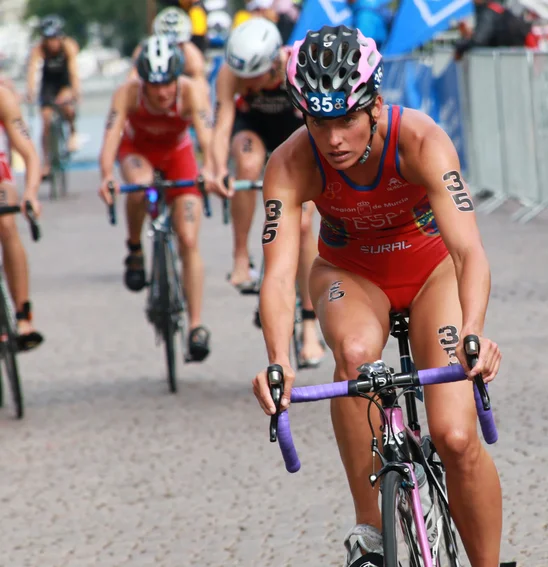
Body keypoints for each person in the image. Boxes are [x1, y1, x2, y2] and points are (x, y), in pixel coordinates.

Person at [252, 25, 502, 567]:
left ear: (375, 105)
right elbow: (275, 275)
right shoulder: (290, 164)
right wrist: (278, 360)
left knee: (456, 436)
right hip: (350, 273)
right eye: (320, 123)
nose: (335, 139)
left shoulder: (420, 140)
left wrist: (476, 331)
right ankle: (370, 528)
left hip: (431, 271)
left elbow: (468, 251)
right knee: (356, 358)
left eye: (346, 119)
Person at [98, 35, 225, 362]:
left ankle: (196, 325)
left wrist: (213, 170)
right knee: (141, 186)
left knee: (188, 238)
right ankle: (135, 248)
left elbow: (208, 138)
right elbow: (111, 137)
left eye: (168, 82)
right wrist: (106, 177)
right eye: (154, 85)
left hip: (177, 155)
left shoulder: (191, 92)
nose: (163, 92)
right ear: (142, 81)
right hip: (137, 152)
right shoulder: (127, 93)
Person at [209, 17, 325, 367]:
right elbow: (222, 125)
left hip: (296, 136)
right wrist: (214, 170)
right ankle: (241, 257)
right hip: (254, 131)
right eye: (240, 76)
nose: (245, 83)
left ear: (273, 62)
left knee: (304, 226)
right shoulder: (230, 75)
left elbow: (318, 127)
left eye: (252, 76)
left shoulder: (298, 68)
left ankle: (308, 326)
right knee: (245, 165)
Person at [0, 84, 44, 352]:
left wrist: (30, 193)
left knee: (6, 224)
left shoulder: (2, 96)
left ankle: (22, 315)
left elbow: (28, 153)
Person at [26, 14, 80, 178]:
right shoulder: (39, 49)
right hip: (48, 85)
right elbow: (32, 72)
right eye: (48, 39)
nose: (52, 43)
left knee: (67, 106)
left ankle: (72, 134)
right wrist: (30, 91)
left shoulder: (68, 46)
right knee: (46, 119)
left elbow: (73, 72)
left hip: (64, 83)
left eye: (55, 38)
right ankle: (47, 163)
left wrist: (76, 91)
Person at [129, 7, 207, 85]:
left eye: (177, 44)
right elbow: (131, 82)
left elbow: (200, 88)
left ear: (184, 42)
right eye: (166, 44)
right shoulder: (143, 50)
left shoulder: (192, 57)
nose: (173, 49)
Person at [454, 0, 538, 60]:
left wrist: (460, 47)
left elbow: (480, 40)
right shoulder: (494, 8)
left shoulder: (488, 12)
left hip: (509, 58)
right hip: (512, 57)